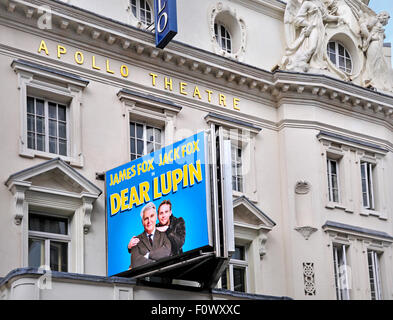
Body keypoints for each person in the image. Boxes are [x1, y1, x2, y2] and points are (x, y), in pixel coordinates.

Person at [128, 202, 171, 269]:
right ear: (142, 222)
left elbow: (167, 251)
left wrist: (148, 255)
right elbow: (135, 262)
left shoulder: (164, 235)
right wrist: (156, 263)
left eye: (151, 216)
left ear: (156, 217)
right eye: (146, 218)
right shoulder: (136, 240)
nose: (149, 221)